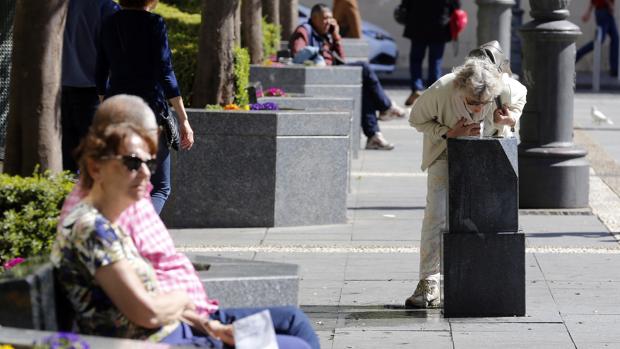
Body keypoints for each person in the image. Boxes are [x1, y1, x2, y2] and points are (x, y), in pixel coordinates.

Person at [59, 95, 321, 349]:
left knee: (294, 331)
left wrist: (210, 327)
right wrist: (182, 298)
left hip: (180, 328)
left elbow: (147, 300)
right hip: (164, 339)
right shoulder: (91, 227)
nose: (146, 174)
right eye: (132, 163)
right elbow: (147, 312)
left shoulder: (108, 220)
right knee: (294, 344)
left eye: (149, 162)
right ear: (95, 168)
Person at [405, 58, 523, 308]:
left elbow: (521, 97)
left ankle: (481, 278)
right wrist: (448, 132)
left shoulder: (506, 89)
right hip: (445, 152)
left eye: (484, 103)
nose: (479, 110)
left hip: (488, 151)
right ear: (460, 88)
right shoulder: (441, 89)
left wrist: (510, 121)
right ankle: (429, 282)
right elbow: (416, 119)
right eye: (472, 103)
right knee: (436, 214)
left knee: (485, 216)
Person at [96, 0, 194, 214]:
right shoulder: (154, 23)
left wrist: (105, 103)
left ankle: (124, 229)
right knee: (160, 186)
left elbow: (101, 69)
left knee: (124, 179)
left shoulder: (109, 22)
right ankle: (141, 231)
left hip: (117, 108)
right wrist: (183, 119)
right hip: (150, 109)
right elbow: (166, 72)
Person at [290, 3, 406, 151]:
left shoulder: (326, 32)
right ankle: (386, 106)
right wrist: (316, 58)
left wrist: (336, 36)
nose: (329, 22)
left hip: (332, 75)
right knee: (363, 68)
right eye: (325, 18)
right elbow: (297, 53)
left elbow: (341, 59)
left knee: (363, 88)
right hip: (319, 78)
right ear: (314, 18)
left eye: (331, 18)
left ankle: (373, 136)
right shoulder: (304, 30)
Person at [61, 0, 119, 172]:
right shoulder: (107, 7)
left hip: (62, 89)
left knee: (67, 163)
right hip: (95, 93)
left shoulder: (61, 4)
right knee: (96, 164)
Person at [400, 0, 461, 107]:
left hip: (417, 23)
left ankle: (416, 88)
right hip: (439, 25)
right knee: (435, 61)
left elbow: (405, 4)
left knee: (416, 60)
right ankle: (433, 93)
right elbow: (456, 5)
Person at [576, 0, 619, 77]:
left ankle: (614, 69)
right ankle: (577, 55)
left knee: (615, 39)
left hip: (606, 13)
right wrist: (610, 5)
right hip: (603, 13)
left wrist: (588, 13)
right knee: (599, 40)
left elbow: (593, 2)